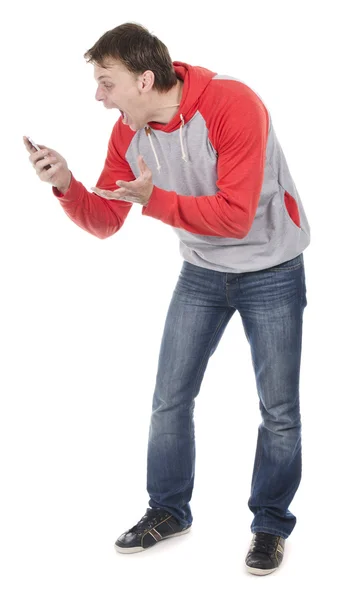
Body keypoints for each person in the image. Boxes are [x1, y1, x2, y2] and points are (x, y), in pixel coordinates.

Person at [23, 22, 310, 576]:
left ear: (144, 78)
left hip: (271, 267)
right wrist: (65, 185)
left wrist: (155, 199)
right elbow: (106, 220)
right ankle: (169, 511)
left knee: (279, 412)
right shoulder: (128, 134)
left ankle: (270, 524)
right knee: (169, 400)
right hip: (201, 272)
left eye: (107, 83)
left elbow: (235, 214)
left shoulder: (233, 105)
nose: (98, 96)